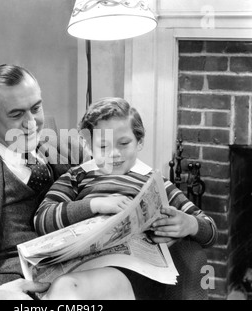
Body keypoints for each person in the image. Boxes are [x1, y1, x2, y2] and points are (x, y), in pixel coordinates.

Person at [0, 64, 134, 300]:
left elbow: (119, 185)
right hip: (12, 286)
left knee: (117, 282)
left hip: (79, 272)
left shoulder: (70, 151)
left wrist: (181, 220)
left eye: (36, 108)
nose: (31, 122)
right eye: (16, 114)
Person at [34, 97, 218, 300]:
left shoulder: (154, 182)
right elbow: (42, 218)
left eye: (124, 143)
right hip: (79, 264)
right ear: (89, 145)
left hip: (134, 271)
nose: (114, 153)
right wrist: (95, 205)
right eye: (103, 146)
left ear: (139, 142)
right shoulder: (77, 176)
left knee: (68, 288)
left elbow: (210, 229)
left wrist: (190, 224)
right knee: (66, 287)